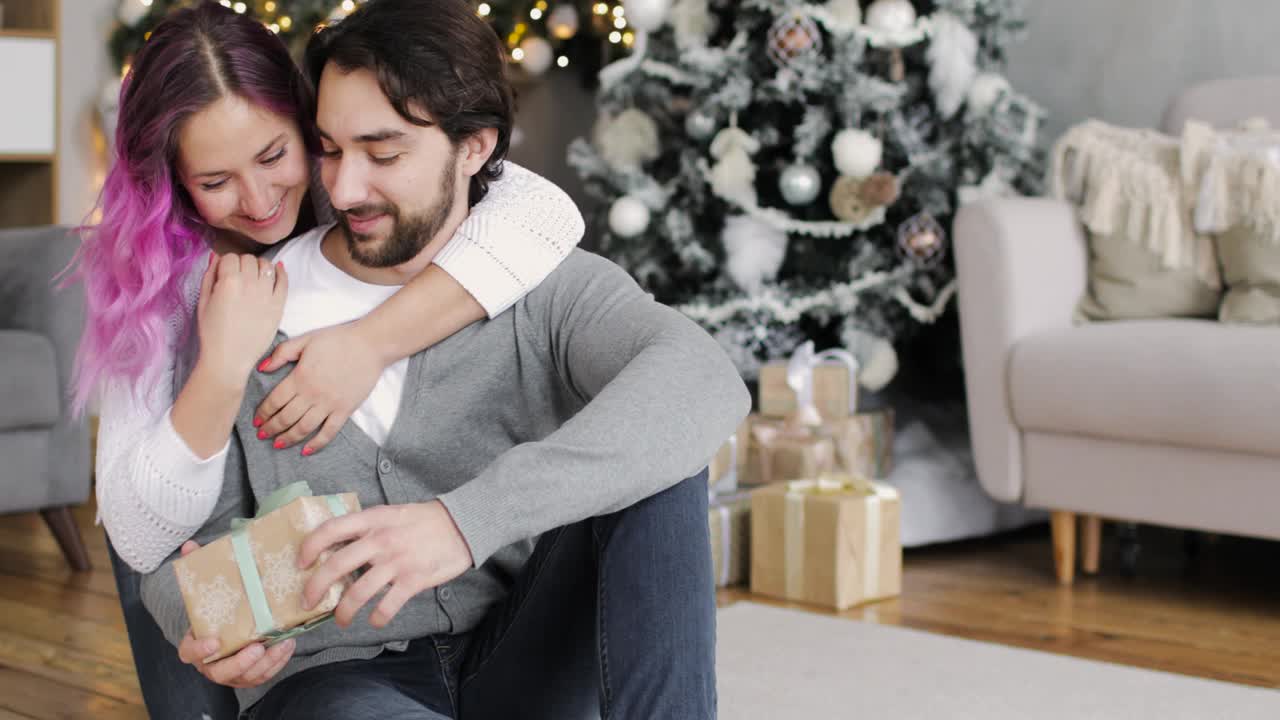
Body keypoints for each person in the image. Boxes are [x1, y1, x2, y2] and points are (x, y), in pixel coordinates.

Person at [140, 1, 751, 718]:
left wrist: (463, 522)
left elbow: (704, 380)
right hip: (339, 686)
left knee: (659, 456)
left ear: (474, 148)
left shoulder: (541, 286)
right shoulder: (242, 311)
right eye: (329, 149)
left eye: (385, 154)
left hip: (528, 653)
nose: (342, 189)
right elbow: (176, 556)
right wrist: (207, 627)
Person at [74, 2, 583, 716]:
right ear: (173, 181)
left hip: (432, 612)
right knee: (150, 535)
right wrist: (222, 366)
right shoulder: (155, 282)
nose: (257, 202)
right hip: (250, 601)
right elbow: (139, 535)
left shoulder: (345, 186)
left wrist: (367, 345)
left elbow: (542, 210)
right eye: (215, 182)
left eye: (274, 155)